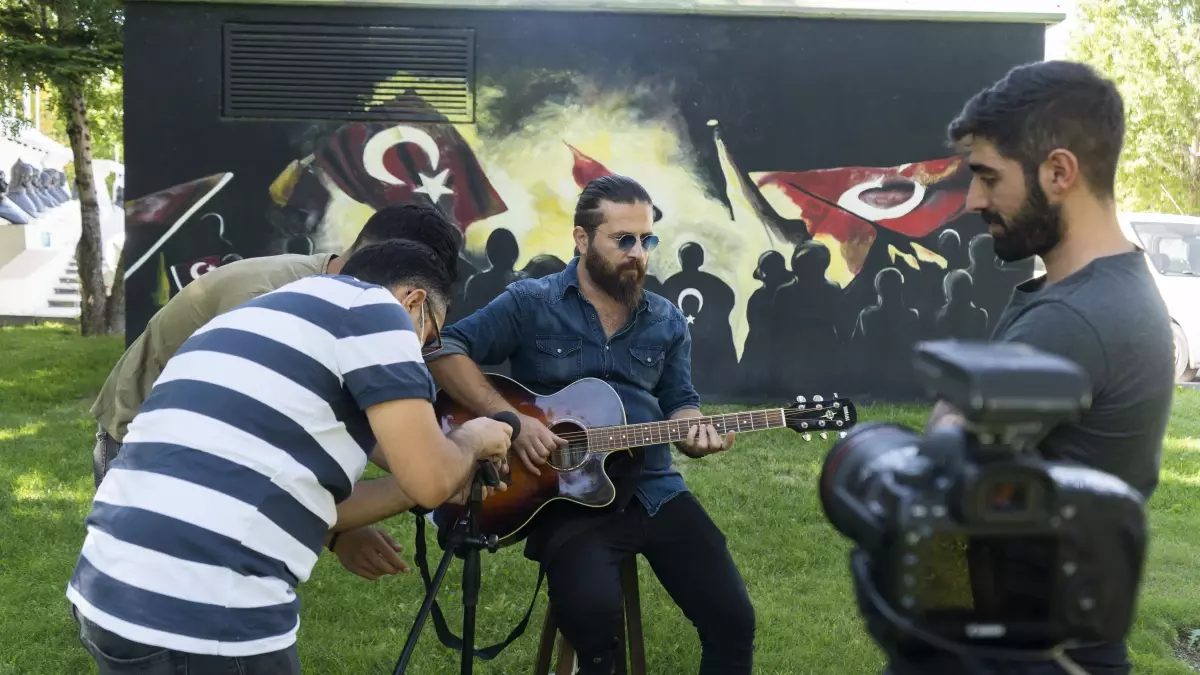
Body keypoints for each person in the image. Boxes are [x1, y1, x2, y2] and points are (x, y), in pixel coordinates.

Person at [67, 239, 514, 675]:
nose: (421, 353)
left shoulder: (260, 314)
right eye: (429, 337)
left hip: (108, 593)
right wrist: (471, 440)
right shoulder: (378, 310)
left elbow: (309, 502)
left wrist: (427, 475)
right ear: (414, 301)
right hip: (205, 616)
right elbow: (431, 481)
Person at [876, 60, 1175, 675]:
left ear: (1059, 171)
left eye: (987, 177)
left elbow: (938, 497)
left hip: (1020, 652)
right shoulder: (1112, 286)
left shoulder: (1071, 318)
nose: (974, 199)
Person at [427, 175, 756, 675]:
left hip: (654, 488)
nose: (638, 252)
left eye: (647, 240)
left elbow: (681, 400)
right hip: (566, 493)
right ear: (582, 240)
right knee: (594, 623)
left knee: (733, 620)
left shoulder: (666, 320)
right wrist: (511, 418)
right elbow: (445, 349)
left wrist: (693, 430)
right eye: (623, 239)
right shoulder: (530, 302)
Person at [90, 202, 462, 580]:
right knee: (168, 584)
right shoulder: (266, 295)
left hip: (200, 458)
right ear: (396, 270)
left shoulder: (337, 297)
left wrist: (440, 460)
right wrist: (342, 527)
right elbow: (247, 459)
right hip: (141, 447)